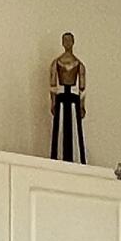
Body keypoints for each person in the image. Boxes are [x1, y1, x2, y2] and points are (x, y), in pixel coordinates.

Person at [49, 32, 86, 163]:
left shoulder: (79, 64)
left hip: (73, 98)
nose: (67, 43)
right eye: (65, 40)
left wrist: (82, 106)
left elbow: (82, 87)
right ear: (62, 43)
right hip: (61, 97)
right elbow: (53, 84)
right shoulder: (57, 63)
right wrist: (53, 102)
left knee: (76, 134)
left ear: (73, 42)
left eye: (69, 40)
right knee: (58, 133)